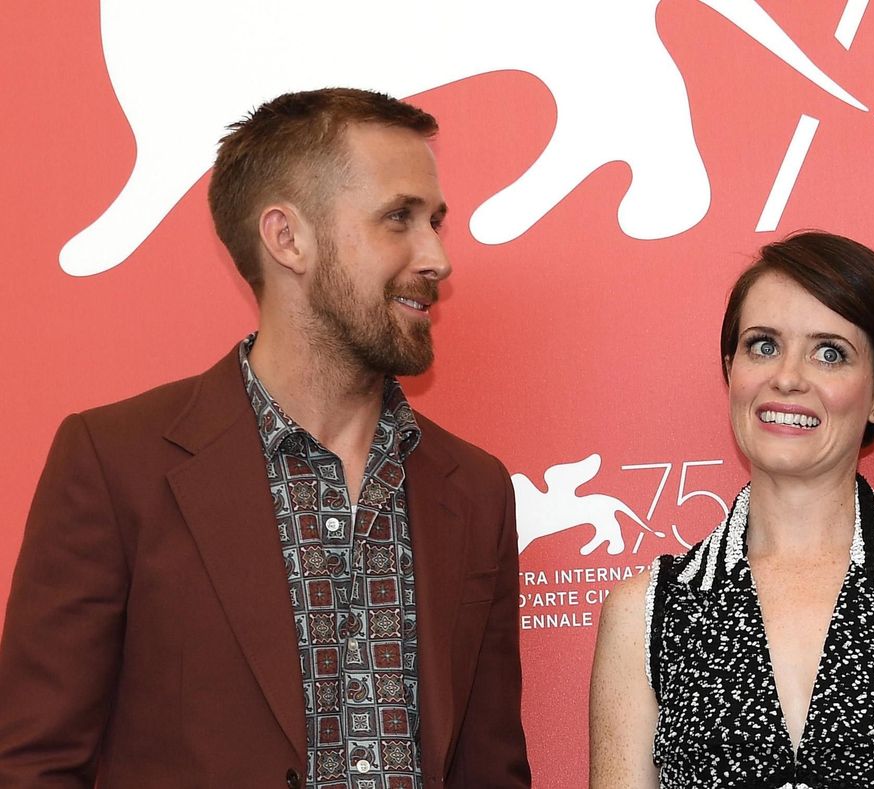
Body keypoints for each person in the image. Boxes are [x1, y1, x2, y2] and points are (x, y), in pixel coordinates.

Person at [0, 88, 531, 788]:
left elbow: (488, 769)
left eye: (436, 221)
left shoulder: (475, 486)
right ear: (287, 238)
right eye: (398, 218)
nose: (437, 256)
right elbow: (33, 764)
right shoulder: (115, 463)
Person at [589, 231, 874, 788]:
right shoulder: (647, 612)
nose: (787, 377)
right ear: (730, 368)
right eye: (763, 345)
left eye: (830, 353)